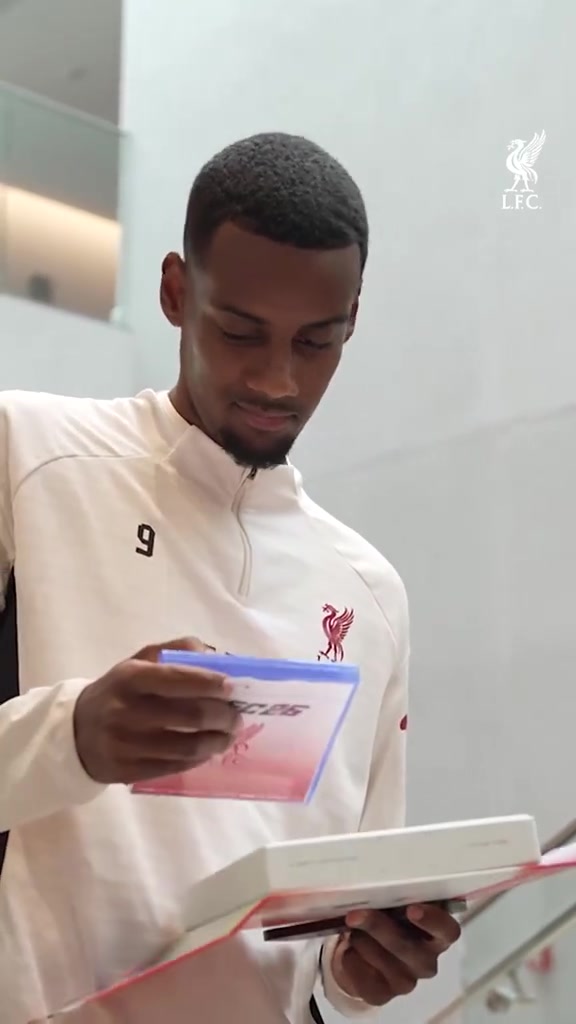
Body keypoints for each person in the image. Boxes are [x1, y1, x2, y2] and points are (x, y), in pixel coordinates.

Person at [0, 132, 460, 1024]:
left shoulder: (370, 593)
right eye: (241, 331)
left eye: (317, 342)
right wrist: (73, 737)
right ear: (176, 292)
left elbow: (338, 946)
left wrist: (362, 970)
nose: (277, 381)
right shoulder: (26, 456)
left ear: (353, 321)